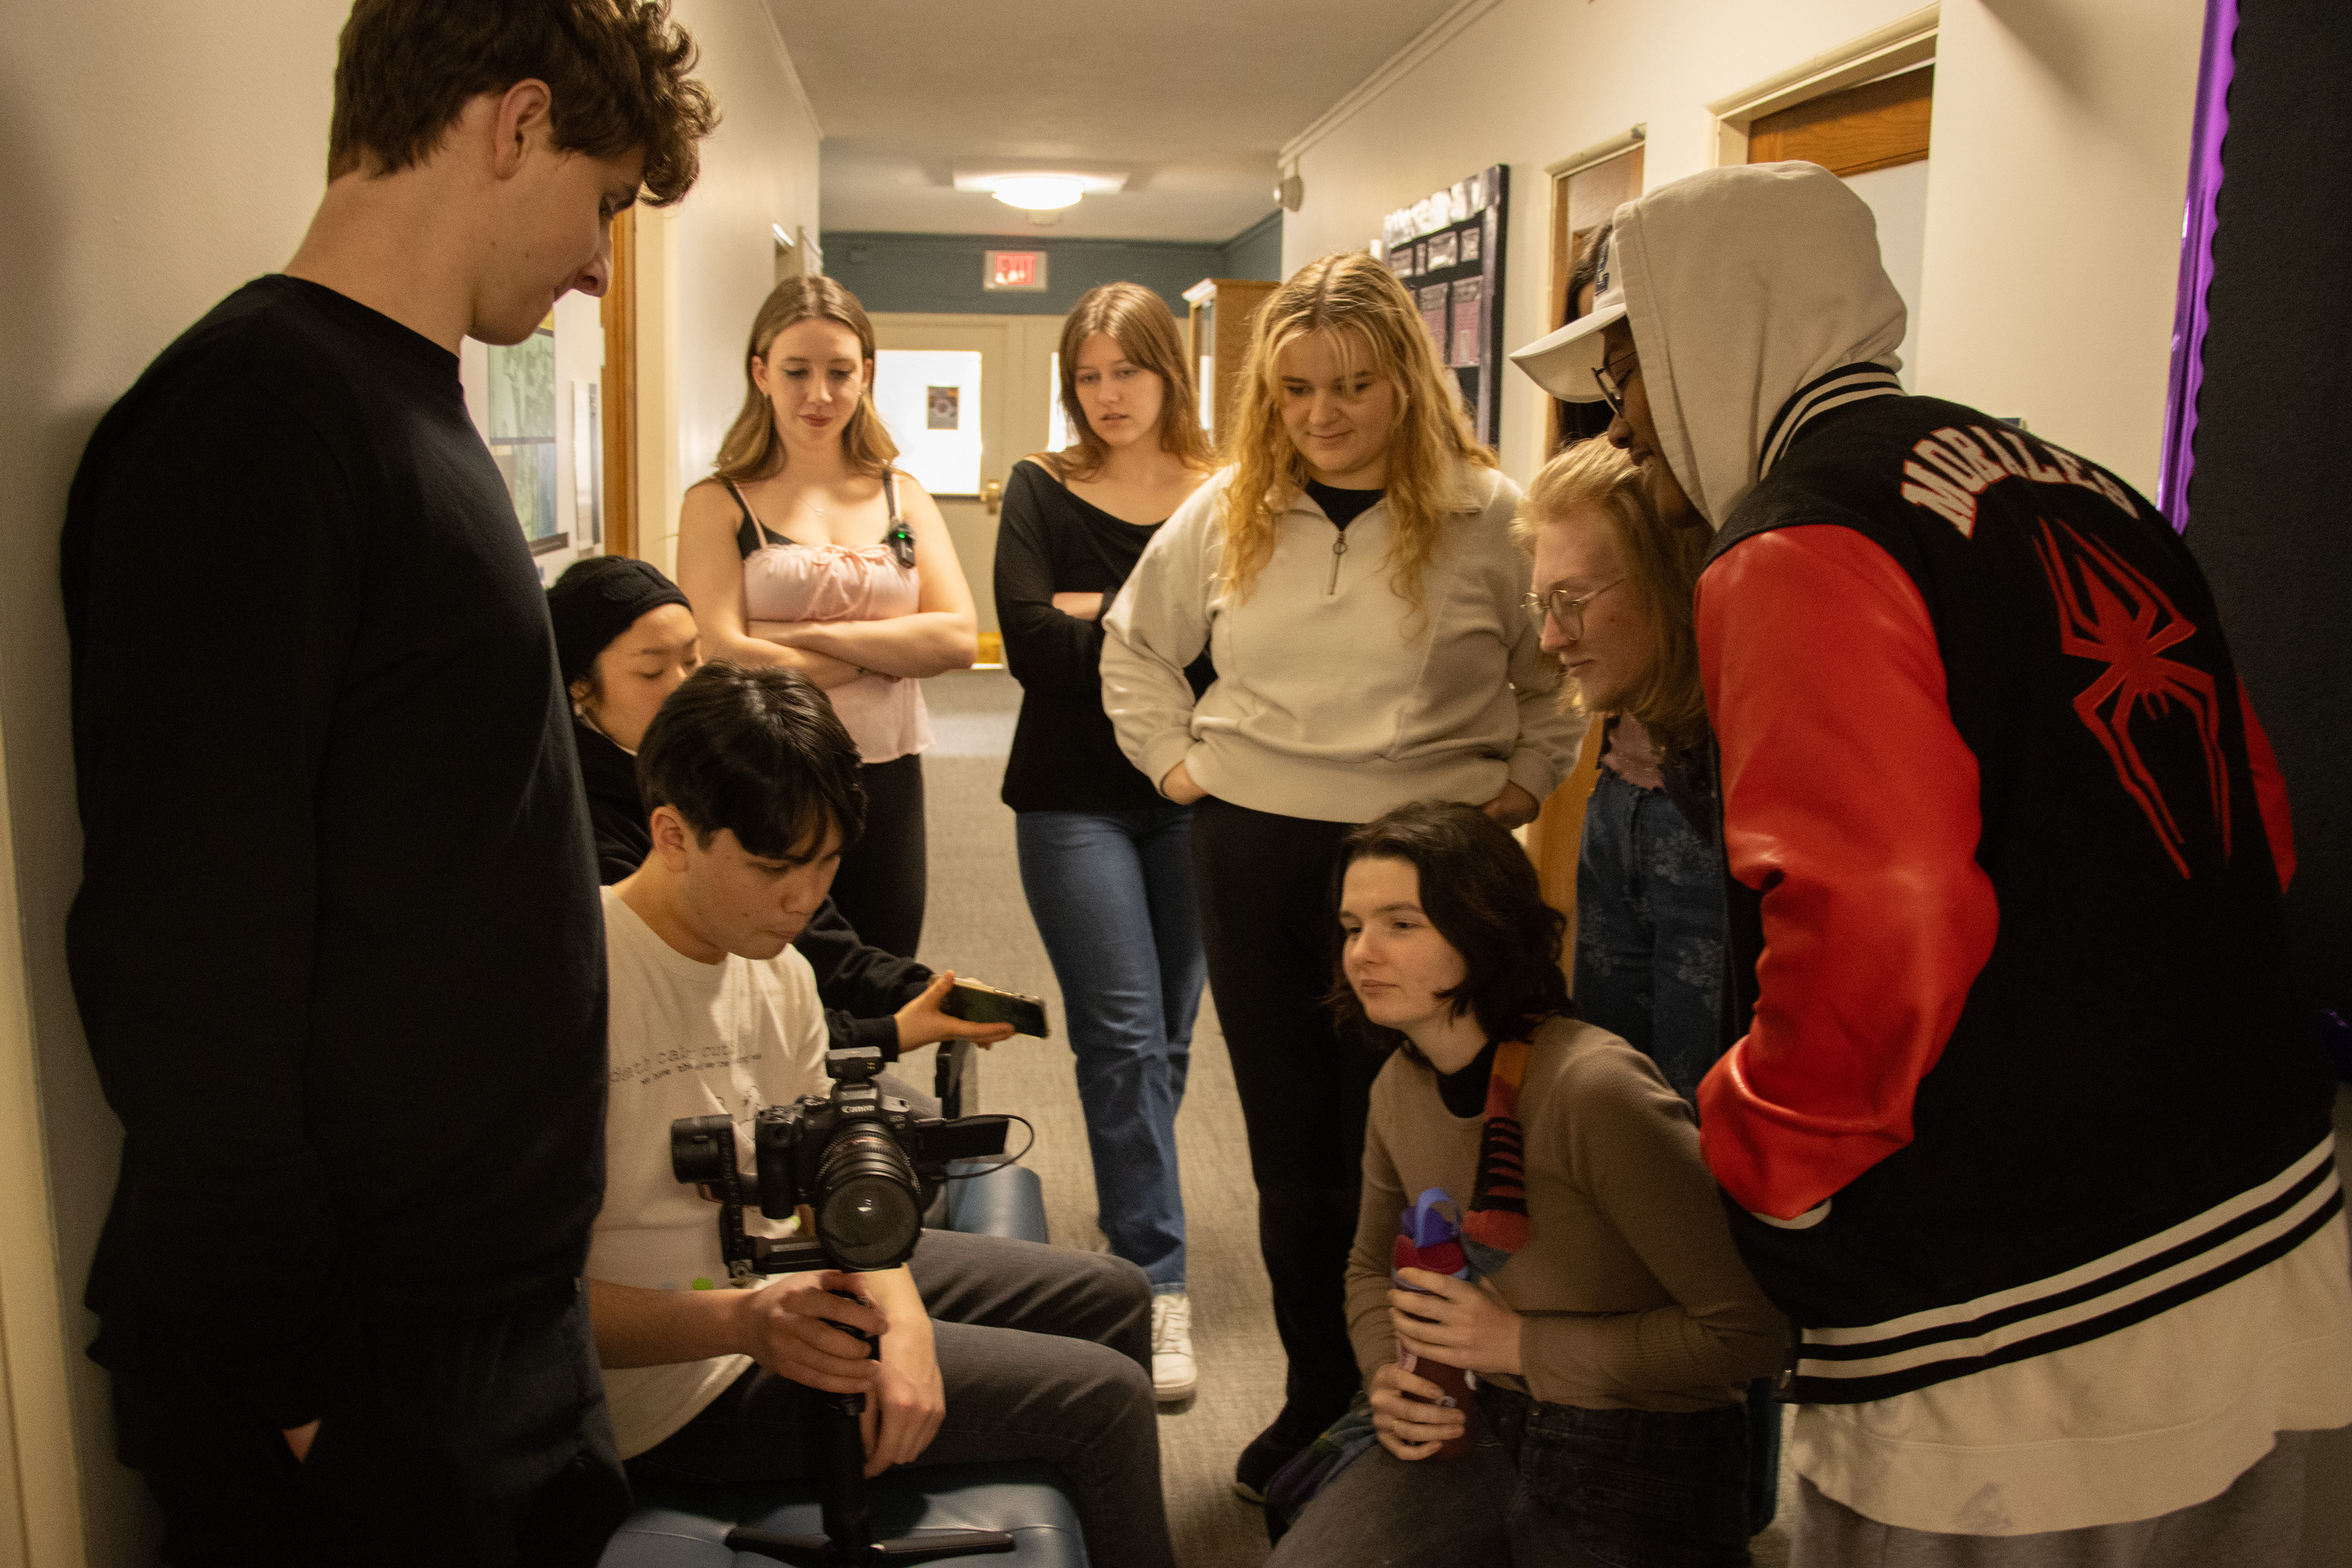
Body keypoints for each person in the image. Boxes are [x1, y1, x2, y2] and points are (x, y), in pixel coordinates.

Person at [1511, 161, 2352, 1562]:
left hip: (2019, 1321)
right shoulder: (2090, 487)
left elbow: (1877, 917)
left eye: (1629, 372)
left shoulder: (1793, 537)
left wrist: (1768, 1167)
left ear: (1717, 323)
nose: (1628, 424)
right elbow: (2252, 818)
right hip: (2265, 1213)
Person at [56, 4, 715, 1562]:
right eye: (603, 202)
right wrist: (301, 1384)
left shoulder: (407, 405)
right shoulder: (251, 422)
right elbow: (183, 956)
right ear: (514, 123)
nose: (598, 265)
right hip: (363, 1366)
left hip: (478, 1319)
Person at [1102, 251, 1583, 1496]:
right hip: (1260, 850)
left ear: (1408, 380)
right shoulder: (1230, 508)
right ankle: (1321, 1395)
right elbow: (1134, 647)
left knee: (1426, 1143)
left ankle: (1431, 1401)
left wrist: (1524, 782)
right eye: (1298, 388)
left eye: (1355, 386)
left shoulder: (1489, 512)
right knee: (1294, 1146)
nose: (1323, 414)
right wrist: (1175, 767)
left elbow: (1555, 675)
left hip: (1430, 863)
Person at [586, 661, 1176, 1568]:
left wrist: (903, 1320)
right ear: (673, 834)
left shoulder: (779, 970)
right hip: (681, 1382)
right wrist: (741, 1323)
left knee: (1115, 1294)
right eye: (773, 867)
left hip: (795, 1279)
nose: (803, 900)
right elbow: (522, 1307)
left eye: (825, 864)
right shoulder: (574, 983)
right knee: (1102, 1400)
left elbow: (829, 1179)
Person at [1265, 801, 1784, 1566]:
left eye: (1401, 923)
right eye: (1352, 927)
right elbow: (1370, 1268)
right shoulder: (1399, 1085)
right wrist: (1388, 1376)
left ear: (1484, 928)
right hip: (1483, 1413)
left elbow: (1752, 1333)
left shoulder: (1594, 1089)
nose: (1362, 953)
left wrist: (1521, 1343)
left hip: (1642, 1440)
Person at [995, 282, 1215, 1401]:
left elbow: (1240, 646)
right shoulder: (1042, 484)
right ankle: (1155, 1282)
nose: (1107, 395)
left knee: (1167, 1040)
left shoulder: (1223, 491)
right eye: (1087, 376)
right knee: (1122, 1037)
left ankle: (1137, 1203)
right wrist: (1161, 632)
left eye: (1126, 371)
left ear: (1168, 371)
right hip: (1071, 801)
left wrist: (1097, 611)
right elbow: (1029, 645)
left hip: (1197, 794)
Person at [545, 555, 1009, 1065]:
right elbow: (708, 1025)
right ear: (579, 683)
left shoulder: (714, 761)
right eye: (652, 670)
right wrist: (889, 1032)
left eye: (693, 661)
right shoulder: (576, 829)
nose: (681, 686)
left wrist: (923, 990)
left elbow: (821, 947)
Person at [675, 274, 981, 960]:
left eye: (840, 372)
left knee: (884, 961)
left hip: (885, 773)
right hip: (767, 772)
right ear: (761, 373)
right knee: (778, 967)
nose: (819, 394)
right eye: (796, 372)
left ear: (866, 374)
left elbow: (958, 638)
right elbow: (721, 651)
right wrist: (887, 653)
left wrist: (803, 637)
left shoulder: (903, 495)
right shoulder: (718, 502)